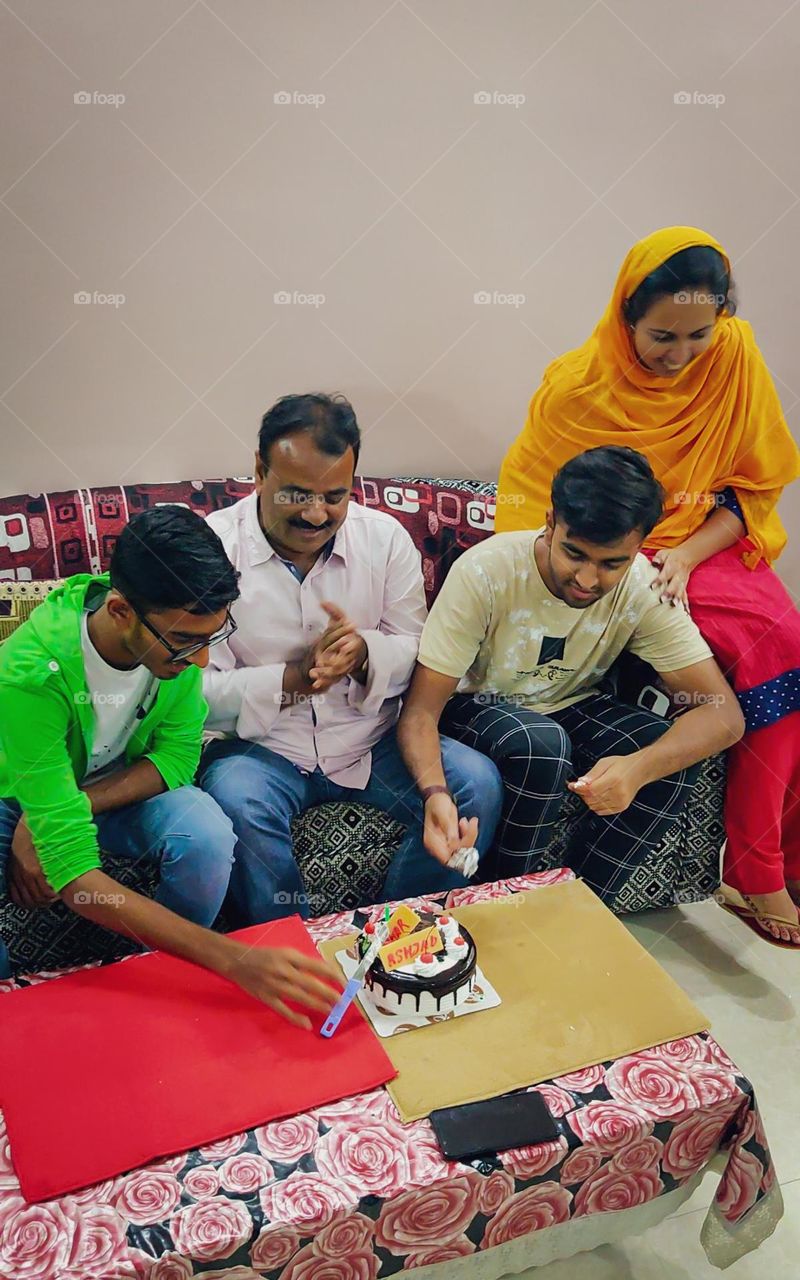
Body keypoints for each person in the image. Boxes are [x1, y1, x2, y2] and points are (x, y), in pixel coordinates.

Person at [496, 226, 800, 947]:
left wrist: (689, 557)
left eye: (700, 333)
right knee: (769, 644)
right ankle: (755, 868)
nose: (681, 354)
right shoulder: (576, 389)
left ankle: (769, 861)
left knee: (788, 642)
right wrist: (619, 563)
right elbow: (535, 514)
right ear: (624, 316)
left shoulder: (734, 356)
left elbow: (752, 489)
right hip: (613, 554)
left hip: (703, 543)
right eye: (662, 335)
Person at [0, 507, 338, 1027]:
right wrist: (233, 959)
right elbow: (72, 870)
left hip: (106, 788)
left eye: (214, 636)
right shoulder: (31, 675)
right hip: (15, 794)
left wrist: (76, 804)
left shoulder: (178, 642)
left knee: (205, 832)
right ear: (119, 612)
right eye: (185, 643)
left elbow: (179, 757)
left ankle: (151, 982)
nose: (201, 663)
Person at [198, 392, 503, 923]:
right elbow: (194, 695)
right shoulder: (213, 549)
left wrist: (366, 654)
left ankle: (393, 940)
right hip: (261, 748)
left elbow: (422, 653)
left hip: (369, 739)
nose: (317, 514)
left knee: (475, 782)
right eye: (297, 494)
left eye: (334, 496)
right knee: (236, 805)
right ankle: (288, 957)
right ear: (258, 471)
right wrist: (294, 679)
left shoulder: (384, 540)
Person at [398, 447, 744, 905]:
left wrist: (638, 769)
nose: (586, 578)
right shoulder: (486, 571)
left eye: (611, 563)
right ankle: (498, 907)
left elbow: (723, 717)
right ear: (549, 522)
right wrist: (436, 792)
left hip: (572, 703)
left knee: (667, 759)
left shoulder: (642, 585)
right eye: (574, 553)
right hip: (475, 704)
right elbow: (420, 711)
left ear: (639, 547)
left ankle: (576, 908)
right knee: (542, 746)